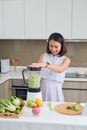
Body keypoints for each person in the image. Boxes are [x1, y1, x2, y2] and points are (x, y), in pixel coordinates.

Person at [30, 32, 71, 102]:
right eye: (51, 46)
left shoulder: (66, 60)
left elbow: (60, 69)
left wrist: (46, 65)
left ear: (62, 46)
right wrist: (33, 68)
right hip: (43, 88)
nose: (53, 49)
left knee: (56, 110)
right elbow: (37, 71)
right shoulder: (43, 56)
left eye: (56, 46)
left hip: (56, 91)